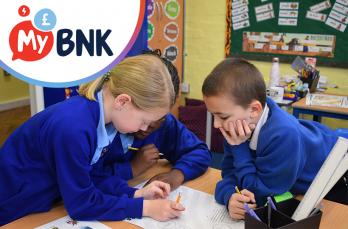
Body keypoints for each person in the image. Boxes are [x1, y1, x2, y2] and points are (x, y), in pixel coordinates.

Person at [0, 55, 185, 226]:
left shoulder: (106, 123)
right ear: (122, 102)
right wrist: (145, 208)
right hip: (12, 207)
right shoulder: (74, 128)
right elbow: (81, 204)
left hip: (41, 200)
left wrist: (137, 194)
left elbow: (92, 177)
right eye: (144, 121)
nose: (145, 129)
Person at [201, 58, 341, 220]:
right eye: (213, 116)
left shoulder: (283, 135)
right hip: (295, 182)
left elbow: (262, 196)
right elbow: (230, 175)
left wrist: (240, 148)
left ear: (254, 110)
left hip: (337, 171)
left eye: (222, 116)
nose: (217, 125)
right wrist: (230, 197)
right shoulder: (235, 125)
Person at [91, 49, 211, 190]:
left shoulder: (165, 123)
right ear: (126, 100)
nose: (148, 126)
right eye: (144, 118)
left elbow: (199, 151)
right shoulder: (101, 121)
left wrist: (178, 174)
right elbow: (84, 177)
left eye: (159, 117)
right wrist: (131, 168)